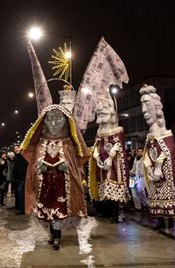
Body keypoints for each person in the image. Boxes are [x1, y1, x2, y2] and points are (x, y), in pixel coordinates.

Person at [21, 91, 91, 250]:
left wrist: (65, 167)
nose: (53, 123)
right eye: (49, 119)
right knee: (47, 209)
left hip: (61, 184)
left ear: (66, 122)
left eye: (58, 119)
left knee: (59, 209)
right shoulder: (41, 143)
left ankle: (57, 236)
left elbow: (73, 166)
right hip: (45, 184)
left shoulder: (67, 144)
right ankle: (53, 233)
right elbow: (34, 163)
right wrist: (40, 167)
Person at [139, 85, 175, 229]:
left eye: (147, 104)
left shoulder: (165, 133)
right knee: (155, 197)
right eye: (142, 105)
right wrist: (148, 166)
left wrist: (158, 166)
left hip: (163, 174)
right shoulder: (150, 135)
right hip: (154, 175)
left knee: (166, 196)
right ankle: (160, 221)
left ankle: (170, 222)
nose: (143, 110)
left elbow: (167, 152)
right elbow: (148, 152)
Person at [89, 89, 130, 224]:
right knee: (104, 190)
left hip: (113, 165)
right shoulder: (100, 131)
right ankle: (105, 213)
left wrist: (110, 157)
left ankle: (115, 215)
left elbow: (118, 145)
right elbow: (96, 145)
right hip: (102, 163)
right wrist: (96, 156)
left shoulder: (116, 130)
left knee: (113, 192)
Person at [12, 144, 27, 214]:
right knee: (18, 193)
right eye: (15, 149)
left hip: (23, 178)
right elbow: (15, 168)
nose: (16, 149)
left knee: (20, 192)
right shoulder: (15, 158)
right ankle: (19, 207)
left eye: (17, 148)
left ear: (20, 148)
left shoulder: (24, 156)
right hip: (17, 179)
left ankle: (22, 210)